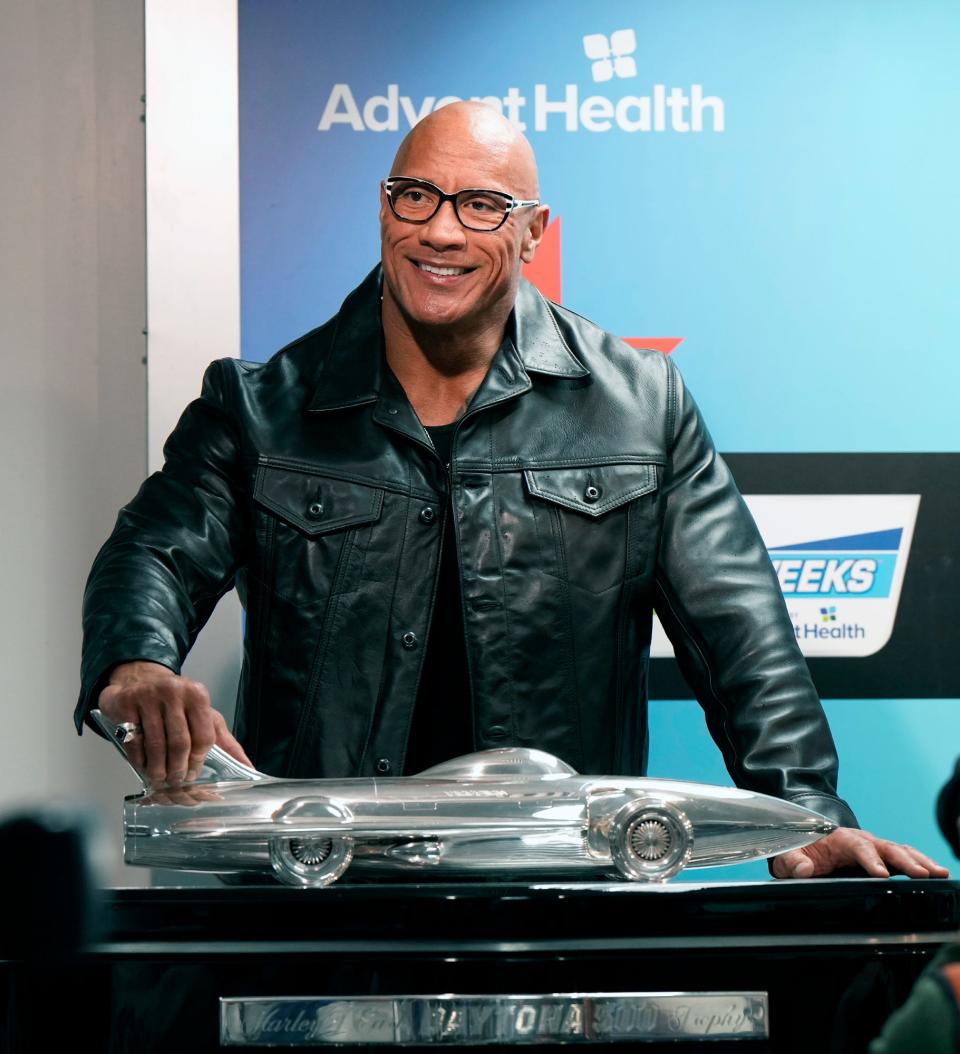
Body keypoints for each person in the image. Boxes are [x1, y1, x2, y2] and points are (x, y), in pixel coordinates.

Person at [77, 101, 944, 881]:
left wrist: (807, 814)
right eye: (416, 196)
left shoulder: (642, 407)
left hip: (562, 889)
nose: (441, 233)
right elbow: (154, 550)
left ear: (534, 232)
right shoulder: (260, 407)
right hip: (321, 888)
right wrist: (136, 661)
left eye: (481, 205)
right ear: (384, 210)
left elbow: (743, 635)